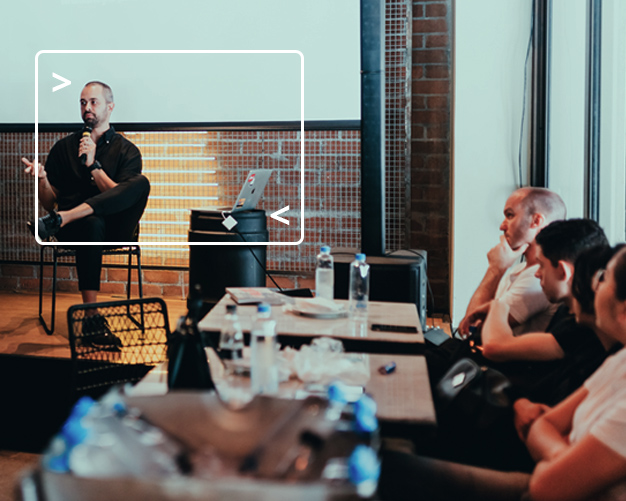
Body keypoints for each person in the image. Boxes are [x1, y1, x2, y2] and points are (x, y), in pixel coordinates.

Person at [379, 245, 626, 501]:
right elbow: (542, 423)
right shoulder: (620, 361)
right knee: (389, 462)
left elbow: (545, 486)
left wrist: (554, 457)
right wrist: (561, 457)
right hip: (540, 468)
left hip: (538, 483)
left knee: (392, 467)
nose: (595, 285)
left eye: (603, 277)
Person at [22, 81, 150, 348]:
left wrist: (93, 166)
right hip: (78, 233)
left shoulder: (127, 151)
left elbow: (123, 201)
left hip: (115, 228)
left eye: (94, 102)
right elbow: (48, 203)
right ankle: (92, 317)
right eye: (83, 102)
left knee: (141, 183)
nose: (87, 108)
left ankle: (63, 218)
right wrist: (43, 180)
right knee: (91, 222)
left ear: (110, 107)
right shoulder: (64, 148)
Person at [458, 187, 566, 337]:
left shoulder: (536, 279)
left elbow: (472, 330)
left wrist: (495, 269)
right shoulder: (520, 269)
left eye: (510, 215)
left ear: (536, 221)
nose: (502, 226)